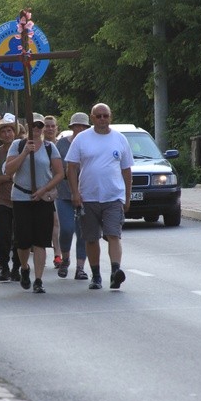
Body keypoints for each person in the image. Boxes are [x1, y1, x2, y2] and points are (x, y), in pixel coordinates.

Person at [66, 103, 134, 290]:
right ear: (92, 118)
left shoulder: (119, 139)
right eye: (98, 116)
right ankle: (96, 275)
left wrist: (127, 198)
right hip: (88, 197)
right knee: (91, 238)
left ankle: (115, 272)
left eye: (105, 116)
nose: (102, 119)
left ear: (110, 117)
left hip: (113, 196)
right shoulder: (82, 139)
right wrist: (75, 193)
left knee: (114, 234)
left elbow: (127, 171)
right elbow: (71, 167)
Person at [4, 117, 65, 293]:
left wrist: (45, 190)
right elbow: (8, 170)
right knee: (22, 241)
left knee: (40, 240)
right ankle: (24, 268)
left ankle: (38, 280)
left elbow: (59, 173)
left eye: (40, 126)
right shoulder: (18, 145)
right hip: (22, 197)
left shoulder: (49, 147)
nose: (37, 129)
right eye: (33, 126)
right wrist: (24, 154)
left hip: (42, 198)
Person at [55, 112, 90, 280]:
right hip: (63, 193)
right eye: (77, 125)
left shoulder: (91, 143)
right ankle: (65, 259)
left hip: (86, 194)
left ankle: (80, 267)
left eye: (83, 126)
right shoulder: (61, 144)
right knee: (67, 229)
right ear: (72, 127)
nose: (80, 129)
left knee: (83, 232)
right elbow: (54, 167)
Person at [0, 114, 21, 282]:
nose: (7, 134)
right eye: (3, 131)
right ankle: (4, 266)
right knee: (3, 235)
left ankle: (18, 266)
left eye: (9, 130)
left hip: (19, 198)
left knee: (19, 235)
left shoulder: (22, 149)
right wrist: (9, 177)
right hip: (3, 199)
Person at [42, 115, 63, 268]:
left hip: (62, 189)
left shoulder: (61, 145)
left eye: (52, 126)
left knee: (58, 222)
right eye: (46, 126)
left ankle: (58, 254)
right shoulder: (40, 146)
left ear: (57, 128)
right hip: (45, 189)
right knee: (51, 221)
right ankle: (51, 252)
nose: (49, 129)